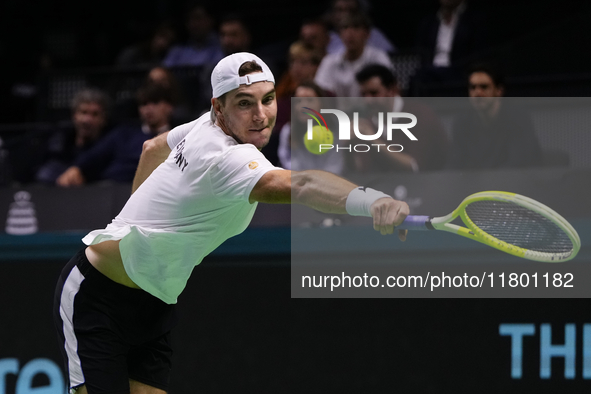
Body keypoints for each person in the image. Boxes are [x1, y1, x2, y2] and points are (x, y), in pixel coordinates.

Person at [54, 52, 409, 394]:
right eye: (244, 103)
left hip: (155, 301)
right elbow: (302, 184)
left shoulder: (202, 125)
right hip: (98, 296)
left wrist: (128, 220)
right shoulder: (225, 156)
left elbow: (151, 148)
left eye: (267, 99)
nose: (261, 115)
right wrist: (372, 200)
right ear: (218, 107)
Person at [55, 83, 175, 187]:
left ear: (169, 107)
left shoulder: (179, 137)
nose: (148, 109)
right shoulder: (124, 134)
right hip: (112, 190)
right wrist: (77, 168)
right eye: (144, 104)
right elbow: (96, 155)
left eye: (155, 103)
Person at [447, 63, 544, 169]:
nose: (477, 93)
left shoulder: (517, 118)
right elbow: (455, 164)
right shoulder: (462, 122)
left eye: (484, 87)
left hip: (514, 183)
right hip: (480, 184)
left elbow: (518, 164)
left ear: (499, 91)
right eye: (473, 88)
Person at [354, 64, 449, 172]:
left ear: (392, 90)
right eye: (363, 94)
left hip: (430, 184)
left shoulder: (420, 115)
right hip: (384, 186)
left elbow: (414, 166)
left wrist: (373, 139)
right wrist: (348, 146)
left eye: (374, 93)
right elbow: (363, 171)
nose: (368, 101)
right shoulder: (368, 122)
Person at [36, 88, 112, 184]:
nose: (87, 120)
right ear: (74, 115)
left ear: (104, 119)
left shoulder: (109, 148)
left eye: (95, 114)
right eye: (84, 112)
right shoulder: (60, 144)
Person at [314, 13, 393, 97]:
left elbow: (391, 90)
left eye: (356, 27)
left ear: (367, 34)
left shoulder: (379, 58)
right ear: (339, 34)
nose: (349, 33)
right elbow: (319, 92)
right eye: (345, 28)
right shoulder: (329, 61)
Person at [277, 81, 344, 174]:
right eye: (298, 101)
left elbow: (335, 166)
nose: (303, 106)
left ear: (321, 104)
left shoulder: (336, 127)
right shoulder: (288, 130)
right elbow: (288, 166)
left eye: (310, 100)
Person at [162, 2, 224, 67]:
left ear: (210, 20)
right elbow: (163, 71)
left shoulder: (222, 46)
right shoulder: (177, 51)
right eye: (190, 19)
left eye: (198, 18)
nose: (193, 24)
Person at [325, 0, 396, 55]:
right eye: (340, 10)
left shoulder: (373, 34)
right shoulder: (326, 37)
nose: (345, 14)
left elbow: (393, 57)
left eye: (351, 10)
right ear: (332, 14)